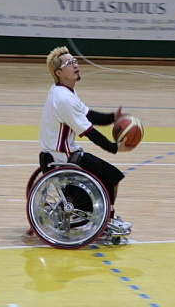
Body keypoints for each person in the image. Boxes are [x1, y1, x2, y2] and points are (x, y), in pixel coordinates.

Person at [39, 46, 135, 233]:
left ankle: (101, 216)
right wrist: (115, 148)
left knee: (101, 174)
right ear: (59, 73)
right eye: (69, 63)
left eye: (75, 61)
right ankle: (107, 220)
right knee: (112, 176)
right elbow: (89, 131)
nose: (75, 65)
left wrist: (112, 117)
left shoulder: (63, 91)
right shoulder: (64, 99)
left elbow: (87, 115)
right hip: (63, 158)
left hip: (57, 154)